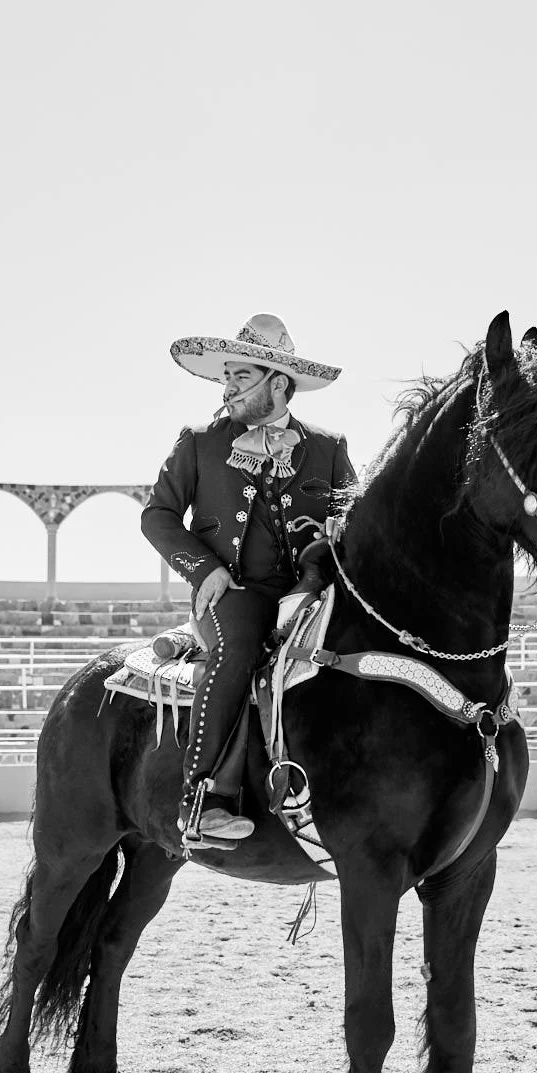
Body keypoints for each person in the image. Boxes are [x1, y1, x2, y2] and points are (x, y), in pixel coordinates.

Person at [142, 313, 355, 848]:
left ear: (277, 383)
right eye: (227, 377)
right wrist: (203, 568)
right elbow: (158, 516)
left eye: (240, 376)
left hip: (311, 592)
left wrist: (339, 537)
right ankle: (205, 800)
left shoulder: (329, 447)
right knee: (238, 645)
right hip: (233, 592)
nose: (228, 387)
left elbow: (354, 521)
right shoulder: (198, 441)